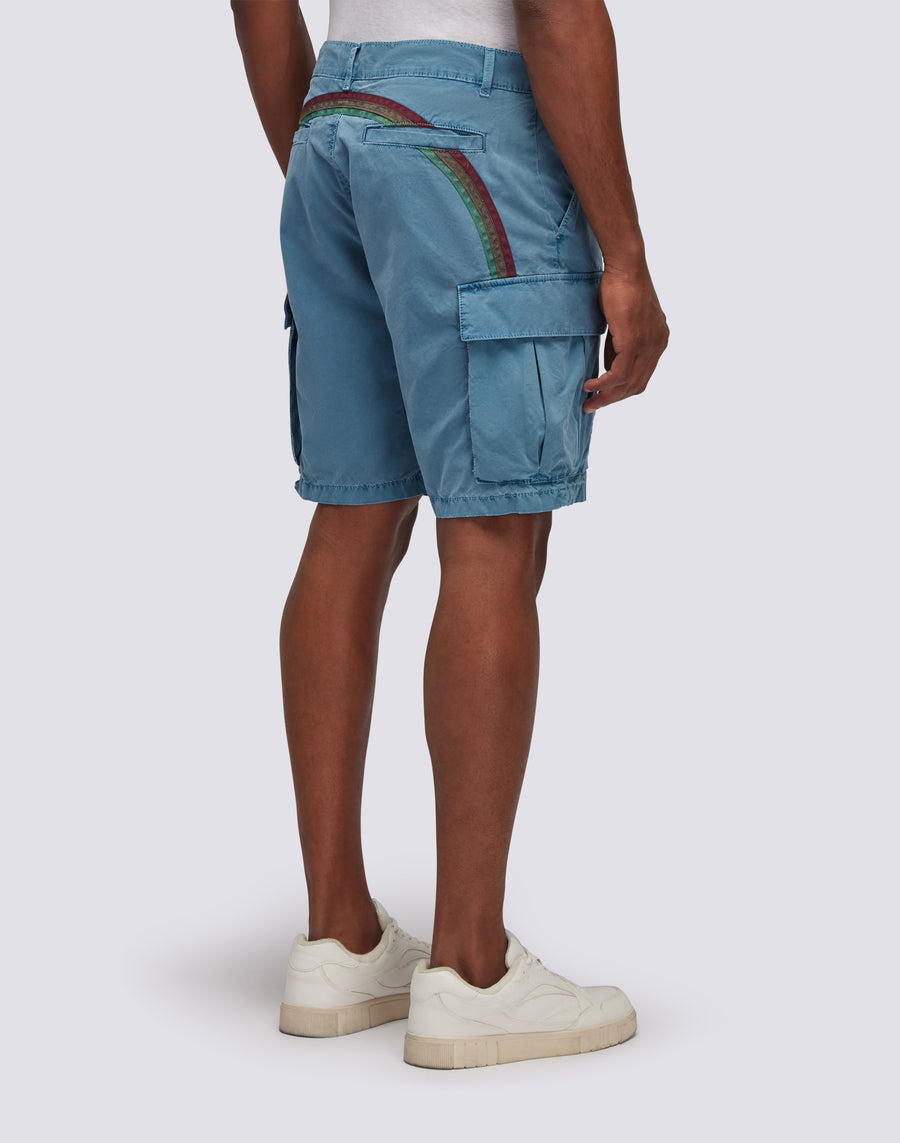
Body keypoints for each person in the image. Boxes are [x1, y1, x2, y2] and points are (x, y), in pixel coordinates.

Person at [231, 0, 669, 1069]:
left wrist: (339, 151)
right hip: (468, 131)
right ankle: (472, 971)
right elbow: (553, 10)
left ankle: (338, 939)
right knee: (495, 533)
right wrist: (625, 255)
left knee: (353, 514)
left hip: (336, 118)